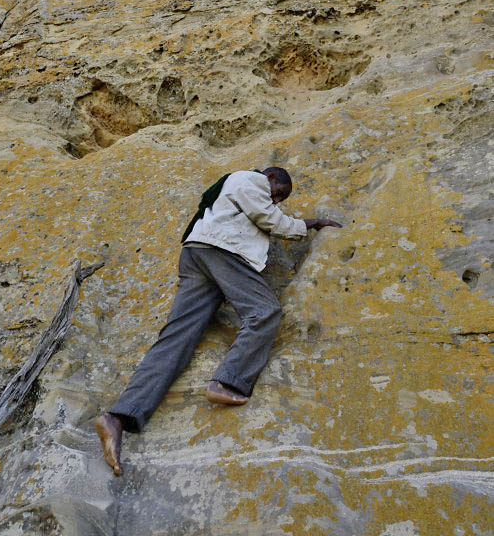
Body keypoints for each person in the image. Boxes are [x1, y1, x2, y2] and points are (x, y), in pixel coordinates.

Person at [95, 167, 342, 475]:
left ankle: (118, 417)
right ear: (270, 177)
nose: (277, 199)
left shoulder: (234, 193)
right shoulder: (249, 179)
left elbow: (266, 214)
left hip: (197, 254)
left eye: (281, 198)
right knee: (264, 311)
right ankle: (227, 380)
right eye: (279, 192)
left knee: (177, 339)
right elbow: (271, 219)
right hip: (221, 252)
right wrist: (312, 223)